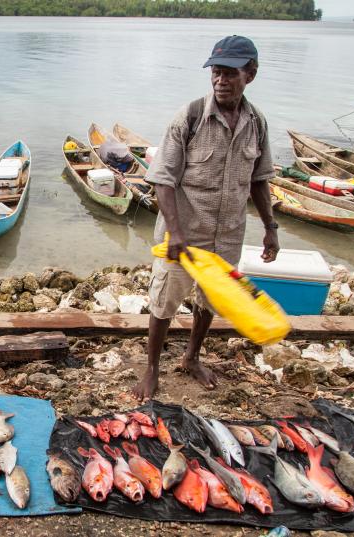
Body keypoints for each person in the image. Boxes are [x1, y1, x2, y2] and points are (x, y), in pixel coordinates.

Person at [132, 35, 279, 401]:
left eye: (230, 74)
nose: (221, 81)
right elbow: (162, 179)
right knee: (164, 302)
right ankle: (151, 370)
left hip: (228, 235)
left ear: (251, 74)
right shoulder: (191, 116)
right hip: (183, 236)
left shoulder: (257, 122)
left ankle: (192, 358)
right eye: (216, 72)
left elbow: (260, 180)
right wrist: (176, 233)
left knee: (209, 303)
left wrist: (271, 228)